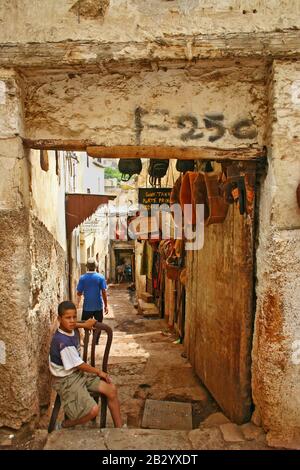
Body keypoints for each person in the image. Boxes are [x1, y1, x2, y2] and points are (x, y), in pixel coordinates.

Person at [49, 300, 122, 429]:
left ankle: (120, 430)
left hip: (77, 374)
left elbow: (72, 324)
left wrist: (83, 324)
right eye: (68, 318)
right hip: (66, 380)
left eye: (74, 317)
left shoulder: (69, 327)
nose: (72, 321)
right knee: (93, 410)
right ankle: (65, 424)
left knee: (111, 390)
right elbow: (79, 365)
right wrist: (98, 372)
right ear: (59, 319)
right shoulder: (62, 342)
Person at [76, 257, 108, 323]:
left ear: (87, 267)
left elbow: (79, 293)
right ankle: (96, 333)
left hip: (87, 307)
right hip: (98, 307)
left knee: (86, 326)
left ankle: (87, 333)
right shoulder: (101, 277)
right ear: (95, 267)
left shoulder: (82, 278)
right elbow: (104, 292)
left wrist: (77, 304)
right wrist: (106, 306)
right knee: (98, 326)